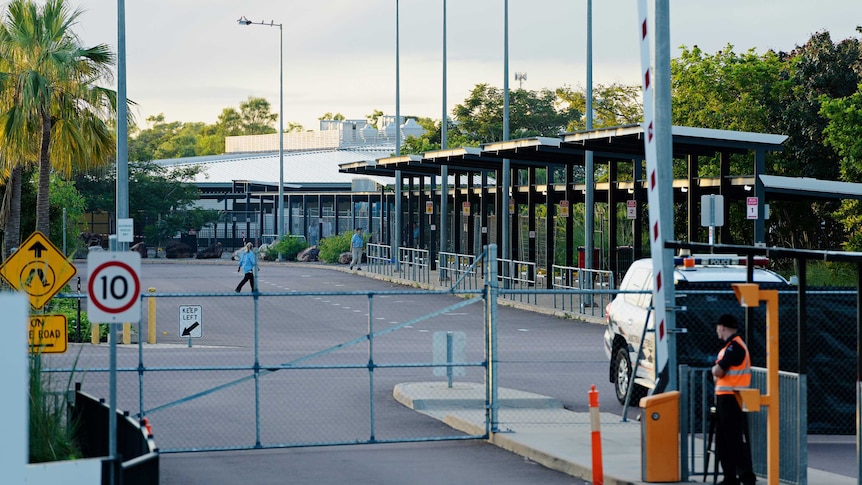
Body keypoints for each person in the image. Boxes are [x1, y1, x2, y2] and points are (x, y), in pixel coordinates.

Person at [711, 313, 756, 485]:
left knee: (733, 440)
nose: (717, 331)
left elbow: (719, 371)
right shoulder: (731, 346)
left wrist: (714, 371)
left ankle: (746, 476)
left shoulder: (735, 347)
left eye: (717, 327)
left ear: (722, 327)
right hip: (726, 398)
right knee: (724, 441)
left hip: (732, 398)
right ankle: (730, 477)